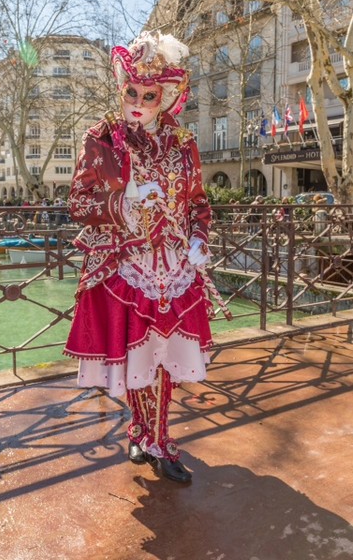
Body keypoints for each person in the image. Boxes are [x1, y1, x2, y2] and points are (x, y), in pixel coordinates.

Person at [64, 30, 231, 484]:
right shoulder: (103, 140)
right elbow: (79, 203)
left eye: (149, 94)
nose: (138, 101)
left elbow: (198, 203)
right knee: (137, 360)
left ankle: (150, 435)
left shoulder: (183, 143)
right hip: (125, 267)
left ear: (167, 97)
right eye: (131, 92)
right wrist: (127, 199)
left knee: (161, 359)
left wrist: (199, 240)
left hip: (175, 267)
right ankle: (148, 434)